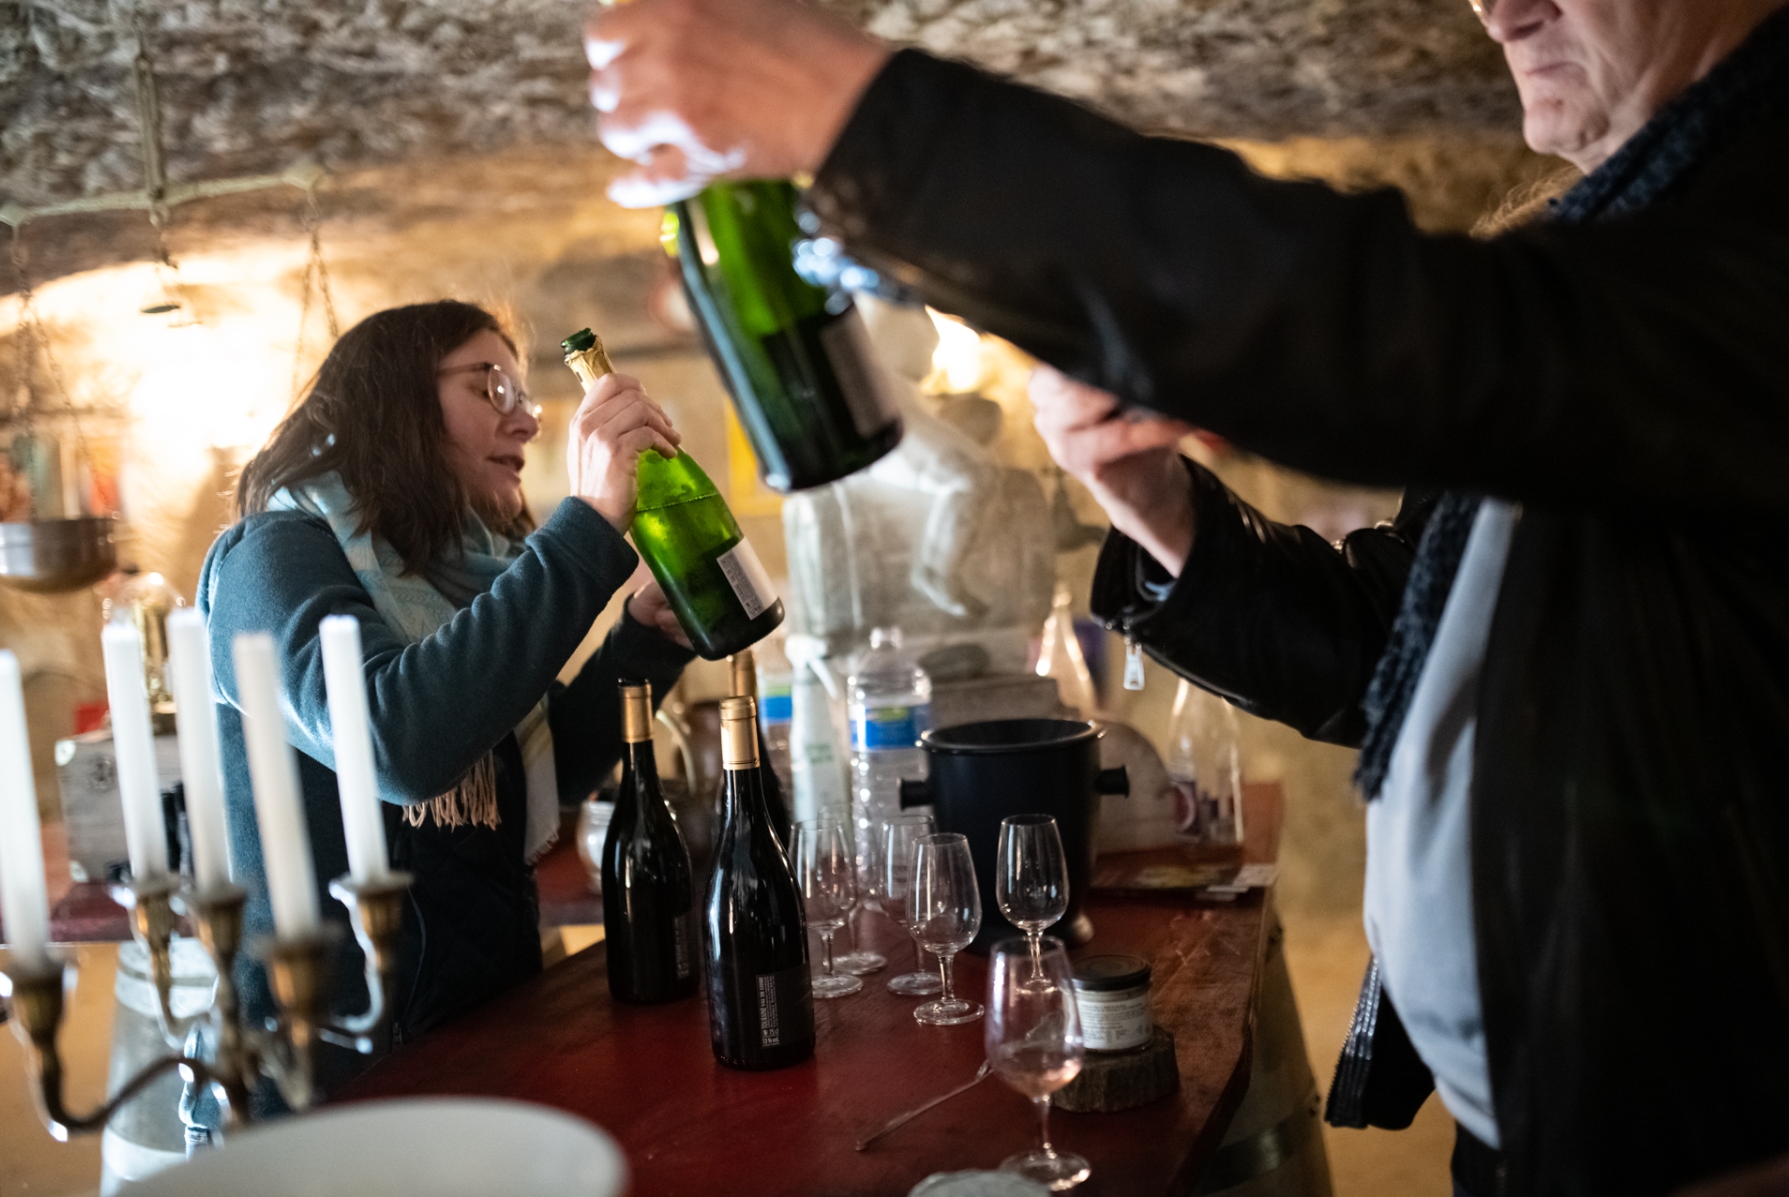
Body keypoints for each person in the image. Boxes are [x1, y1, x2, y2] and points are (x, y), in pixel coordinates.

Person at [583, 0, 1789, 1193]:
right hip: (1556, 1124)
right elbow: (1391, 652)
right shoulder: (1628, 247)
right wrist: (1160, 507)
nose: (1497, 6)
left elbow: (1408, 324)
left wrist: (858, 114)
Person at [198, 300, 696, 1103]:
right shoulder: (273, 555)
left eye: (523, 394)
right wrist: (585, 529)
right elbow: (397, 743)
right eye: (492, 385)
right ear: (394, 400)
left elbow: (547, 769)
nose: (528, 419)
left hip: (477, 1044)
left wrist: (646, 639)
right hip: (333, 1080)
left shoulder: (445, 576)